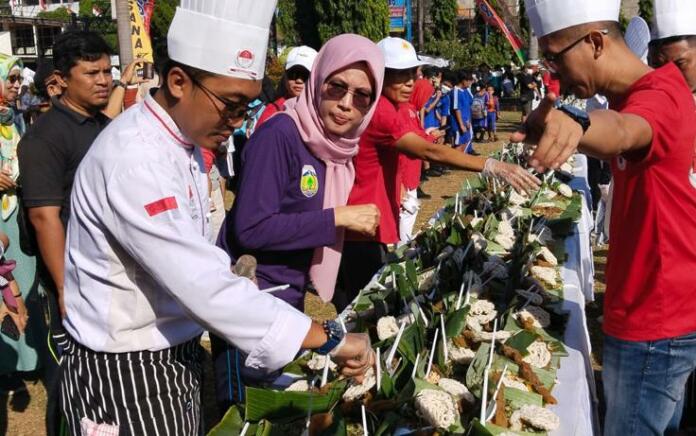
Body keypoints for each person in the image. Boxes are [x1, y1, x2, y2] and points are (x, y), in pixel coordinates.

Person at [58, 2, 375, 434]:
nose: (237, 121)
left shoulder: (181, 143)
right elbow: (201, 284)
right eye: (229, 104)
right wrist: (329, 339)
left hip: (172, 352)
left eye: (246, 107)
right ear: (178, 82)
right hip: (127, 367)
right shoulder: (136, 160)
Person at [515, 1, 696, 434]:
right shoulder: (655, 88)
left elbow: (623, 129)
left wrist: (576, 121)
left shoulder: (657, 98)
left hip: (653, 325)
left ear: (595, 41)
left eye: (556, 56)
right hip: (664, 316)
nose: (554, 72)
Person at [214, 33, 383, 410]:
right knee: (244, 413)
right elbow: (250, 228)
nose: (345, 104)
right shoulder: (281, 135)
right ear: (317, 80)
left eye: (361, 96)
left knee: (276, 411)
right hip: (249, 298)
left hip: (285, 298)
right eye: (336, 87)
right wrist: (336, 218)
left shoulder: (332, 146)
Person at [338, 37, 540, 309]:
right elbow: (429, 152)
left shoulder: (390, 107)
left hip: (365, 220)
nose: (411, 82)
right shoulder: (381, 112)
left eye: (413, 73)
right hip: (359, 228)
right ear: (378, 74)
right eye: (400, 74)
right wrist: (491, 166)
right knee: (363, 309)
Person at [17, 30, 113, 436]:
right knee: (70, 379)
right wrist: (63, 287)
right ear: (61, 79)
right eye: (92, 73)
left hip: (109, 272)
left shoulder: (106, 127)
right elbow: (44, 217)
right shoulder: (45, 137)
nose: (104, 80)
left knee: (105, 380)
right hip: (72, 276)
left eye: (108, 71)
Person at [0, 53, 44, 400]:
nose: (16, 85)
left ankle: (30, 359)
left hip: (16, 215)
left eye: (17, 79)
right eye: (9, 78)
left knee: (23, 285)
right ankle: (6, 366)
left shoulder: (15, 118)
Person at [256, 45, 318, 126]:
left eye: (306, 75)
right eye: (293, 74)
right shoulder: (272, 111)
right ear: (285, 76)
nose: (299, 81)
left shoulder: (325, 112)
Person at [452, 70, 476, 154]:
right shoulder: (456, 91)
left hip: (467, 121)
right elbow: (456, 109)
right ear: (463, 80)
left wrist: (468, 120)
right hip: (458, 123)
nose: (470, 82)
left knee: (467, 140)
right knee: (459, 143)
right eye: (469, 80)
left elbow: (469, 105)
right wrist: (461, 124)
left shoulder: (466, 90)